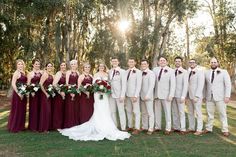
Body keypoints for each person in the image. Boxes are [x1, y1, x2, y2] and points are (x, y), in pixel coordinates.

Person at [58, 63, 130, 141]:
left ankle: (108, 126)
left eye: (103, 66)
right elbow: (93, 85)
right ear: (98, 67)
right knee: (98, 109)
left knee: (106, 109)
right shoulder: (95, 75)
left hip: (105, 95)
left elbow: (109, 84)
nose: (101, 67)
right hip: (97, 95)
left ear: (104, 67)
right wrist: (98, 89)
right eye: (100, 66)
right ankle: (98, 126)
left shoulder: (107, 74)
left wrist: (105, 89)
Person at [204, 57, 231, 137]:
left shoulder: (224, 72)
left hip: (220, 97)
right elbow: (205, 85)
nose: (213, 63)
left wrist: (227, 96)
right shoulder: (206, 72)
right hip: (209, 97)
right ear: (209, 63)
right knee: (209, 113)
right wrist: (204, 95)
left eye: (215, 62)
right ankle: (208, 128)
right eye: (211, 62)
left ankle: (225, 129)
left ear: (217, 63)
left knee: (222, 114)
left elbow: (228, 85)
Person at [153, 56, 176, 135]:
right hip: (156, 94)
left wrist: (171, 95)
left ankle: (168, 128)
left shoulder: (171, 71)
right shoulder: (155, 70)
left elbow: (173, 84)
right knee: (157, 111)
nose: (162, 62)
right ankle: (157, 126)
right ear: (158, 62)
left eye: (164, 60)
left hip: (166, 95)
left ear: (167, 62)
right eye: (160, 60)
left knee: (167, 112)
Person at [8, 59, 27, 133]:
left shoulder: (24, 72)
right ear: (16, 65)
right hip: (17, 94)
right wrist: (19, 93)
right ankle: (15, 127)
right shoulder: (16, 73)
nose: (20, 65)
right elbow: (13, 84)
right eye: (19, 64)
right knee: (17, 110)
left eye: (21, 64)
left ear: (23, 65)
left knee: (22, 110)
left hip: (23, 93)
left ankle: (21, 126)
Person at [187, 59, 205, 135]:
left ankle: (199, 129)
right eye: (190, 62)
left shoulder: (200, 72)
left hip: (196, 96)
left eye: (193, 62)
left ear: (196, 63)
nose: (191, 63)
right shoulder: (187, 71)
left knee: (198, 113)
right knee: (190, 112)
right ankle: (191, 127)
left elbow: (201, 84)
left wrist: (197, 96)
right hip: (189, 96)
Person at [108, 57, 127, 131]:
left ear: (118, 62)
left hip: (119, 95)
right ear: (111, 62)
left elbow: (124, 84)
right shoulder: (109, 71)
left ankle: (123, 127)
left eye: (116, 61)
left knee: (121, 111)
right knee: (112, 111)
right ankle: (114, 126)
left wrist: (122, 95)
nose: (114, 62)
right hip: (111, 94)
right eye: (113, 61)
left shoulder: (122, 71)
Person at [125, 57, 142, 134]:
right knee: (128, 111)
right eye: (129, 62)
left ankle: (137, 128)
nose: (131, 63)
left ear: (135, 63)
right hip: (127, 95)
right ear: (128, 63)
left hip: (134, 96)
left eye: (132, 62)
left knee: (136, 112)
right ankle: (130, 126)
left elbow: (139, 84)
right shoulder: (126, 72)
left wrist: (136, 95)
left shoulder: (138, 72)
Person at [172, 56, 188, 134]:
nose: (177, 62)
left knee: (181, 112)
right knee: (174, 112)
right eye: (176, 61)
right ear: (174, 62)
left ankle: (183, 128)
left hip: (180, 95)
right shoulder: (172, 71)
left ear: (181, 62)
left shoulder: (185, 72)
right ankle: (176, 127)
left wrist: (183, 96)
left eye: (179, 61)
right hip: (173, 95)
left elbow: (185, 85)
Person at [140, 59, 155, 135]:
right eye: (142, 64)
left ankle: (151, 128)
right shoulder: (140, 73)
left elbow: (151, 86)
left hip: (148, 96)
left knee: (150, 113)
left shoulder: (151, 73)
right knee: (143, 112)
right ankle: (144, 126)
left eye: (145, 64)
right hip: (141, 96)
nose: (143, 65)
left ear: (148, 65)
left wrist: (148, 95)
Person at [27, 59, 43, 132]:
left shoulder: (42, 72)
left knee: (40, 109)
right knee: (34, 109)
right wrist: (31, 91)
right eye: (36, 64)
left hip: (41, 93)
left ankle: (40, 125)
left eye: (38, 64)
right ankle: (33, 127)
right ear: (33, 64)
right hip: (33, 94)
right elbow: (28, 84)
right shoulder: (30, 73)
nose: (37, 65)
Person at [38, 62, 54, 132]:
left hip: (50, 94)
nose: (49, 67)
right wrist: (46, 93)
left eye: (51, 66)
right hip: (45, 95)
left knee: (49, 111)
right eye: (48, 66)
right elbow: (40, 84)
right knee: (45, 111)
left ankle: (48, 127)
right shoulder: (45, 74)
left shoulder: (52, 75)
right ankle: (44, 128)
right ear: (46, 67)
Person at [64, 59, 80, 128]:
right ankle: (69, 124)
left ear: (76, 65)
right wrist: (71, 91)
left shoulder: (78, 72)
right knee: (70, 108)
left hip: (76, 92)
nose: (73, 65)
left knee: (75, 108)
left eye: (75, 64)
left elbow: (78, 83)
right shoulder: (68, 72)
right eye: (72, 64)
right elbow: (67, 83)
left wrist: (76, 91)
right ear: (70, 65)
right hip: (69, 92)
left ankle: (75, 123)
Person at [52, 61, 67, 129]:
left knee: (64, 109)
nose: (63, 66)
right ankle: (57, 125)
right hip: (59, 94)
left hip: (66, 93)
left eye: (64, 65)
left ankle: (63, 124)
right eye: (62, 65)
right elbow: (54, 84)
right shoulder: (58, 73)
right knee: (58, 109)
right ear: (60, 66)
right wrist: (60, 92)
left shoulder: (66, 73)